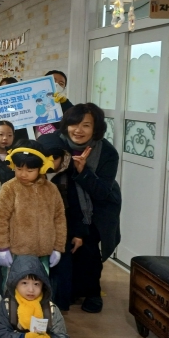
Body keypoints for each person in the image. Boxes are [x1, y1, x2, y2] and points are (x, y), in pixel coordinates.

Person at [60, 103, 121, 314]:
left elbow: (102, 191)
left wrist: (83, 171)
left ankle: (93, 292)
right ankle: (71, 288)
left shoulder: (107, 152)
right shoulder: (58, 145)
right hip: (66, 204)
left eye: (86, 125)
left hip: (97, 206)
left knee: (89, 249)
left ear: (95, 128)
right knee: (66, 247)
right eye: (74, 124)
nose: (78, 130)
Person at [0, 140, 67, 280]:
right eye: (19, 169)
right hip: (16, 252)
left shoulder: (51, 189)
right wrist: (2, 247)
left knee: (39, 285)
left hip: (44, 252)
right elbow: (0, 218)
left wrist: (58, 247)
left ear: (41, 169)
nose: (23, 174)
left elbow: (59, 219)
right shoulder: (9, 188)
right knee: (14, 284)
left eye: (29, 170)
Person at [0, 255, 69, 338]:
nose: (31, 289)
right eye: (24, 283)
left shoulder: (51, 309)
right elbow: (1, 336)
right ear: (15, 283)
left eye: (36, 284)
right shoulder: (7, 306)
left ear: (43, 285)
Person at [36, 133, 76, 311]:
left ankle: (59, 305)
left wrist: (79, 233)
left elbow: (76, 208)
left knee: (62, 269)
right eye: (46, 157)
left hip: (62, 232)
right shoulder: (32, 176)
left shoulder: (68, 177)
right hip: (38, 232)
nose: (51, 162)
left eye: (55, 157)